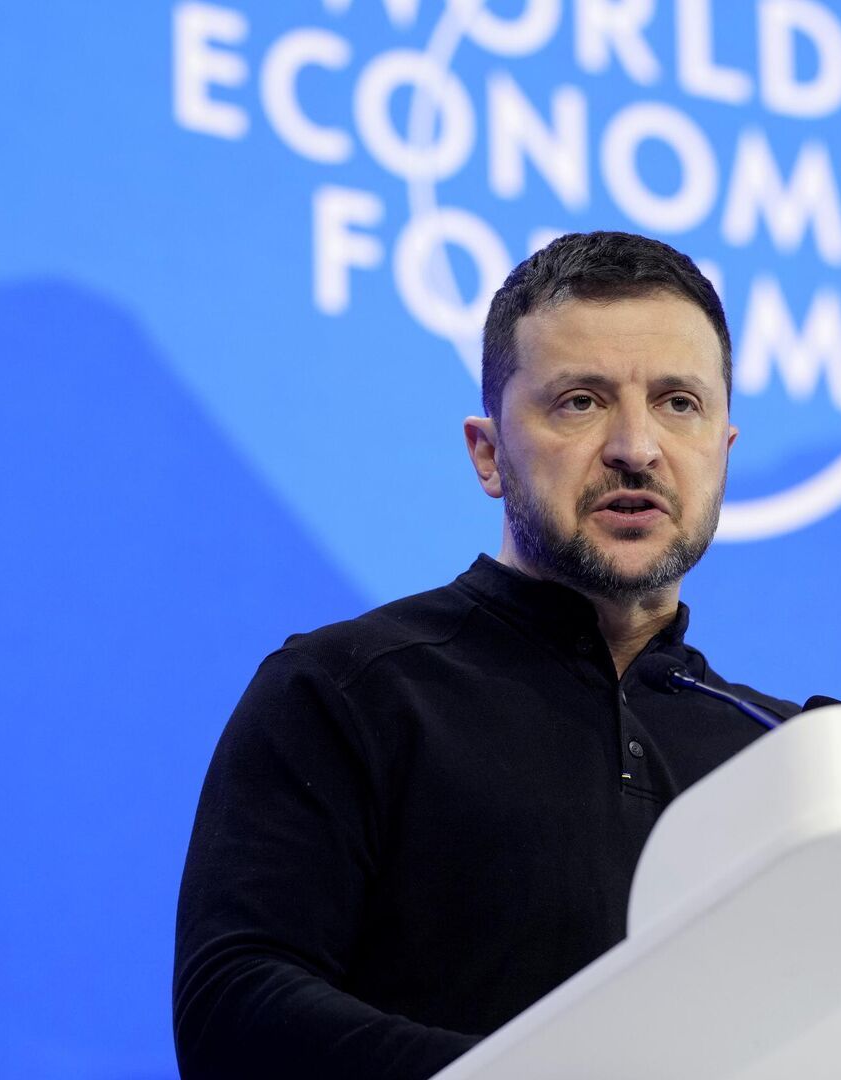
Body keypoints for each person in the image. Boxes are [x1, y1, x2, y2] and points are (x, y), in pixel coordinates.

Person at [173, 231, 806, 1079]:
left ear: (722, 450)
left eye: (678, 403)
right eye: (580, 401)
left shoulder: (789, 758)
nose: (636, 446)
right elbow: (233, 1010)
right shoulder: (347, 691)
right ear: (488, 453)